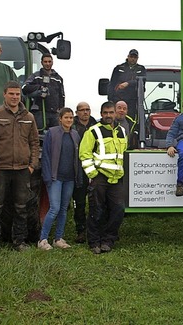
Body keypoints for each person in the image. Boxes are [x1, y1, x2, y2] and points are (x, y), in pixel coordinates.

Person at [0, 81, 39, 253]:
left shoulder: (29, 117)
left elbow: (34, 143)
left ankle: (19, 241)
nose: (15, 97)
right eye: (11, 94)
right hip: (0, 168)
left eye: (17, 94)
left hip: (22, 170)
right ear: (4, 95)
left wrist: (32, 165)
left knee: (21, 208)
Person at [79, 101, 128, 254]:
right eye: (105, 113)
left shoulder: (122, 132)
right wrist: (93, 174)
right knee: (96, 210)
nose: (108, 115)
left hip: (117, 178)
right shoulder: (93, 131)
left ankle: (108, 240)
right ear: (101, 114)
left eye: (111, 112)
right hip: (99, 177)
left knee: (118, 210)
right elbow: (84, 154)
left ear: (115, 113)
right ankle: (94, 241)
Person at [38, 107, 83, 250]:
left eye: (71, 118)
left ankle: (58, 238)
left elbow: (78, 158)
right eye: (66, 117)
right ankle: (43, 239)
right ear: (60, 119)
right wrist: (47, 176)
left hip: (70, 178)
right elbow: (45, 156)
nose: (69, 120)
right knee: (54, 208)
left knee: (63, 209)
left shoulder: (75, 135)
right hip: (55, 177)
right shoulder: (51, 133)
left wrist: (78, 177)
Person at [70, 102, 98, 243]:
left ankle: (94, 229)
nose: (85, 112)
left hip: (95, 168)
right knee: (79, 202)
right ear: (77, 112)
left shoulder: (96, 126)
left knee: (95, 202)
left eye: (87, 109)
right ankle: (80, 230)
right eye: (82, 110)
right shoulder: (72, 127)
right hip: (78, 169)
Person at [22, 53, 65, 131]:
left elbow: (62, 95)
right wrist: (39, 88)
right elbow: (24, 88)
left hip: (55, 113)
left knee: (56, 135)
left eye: (49, 61)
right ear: (41, 62)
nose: (47, 64)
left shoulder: (58, 78)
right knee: (39, 134)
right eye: (45, 62)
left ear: (52, 62)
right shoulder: (36, 76)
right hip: (40, 112)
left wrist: (61, 110)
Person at [108, 49, 146, 120]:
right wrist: (110, 99)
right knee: (116, 119)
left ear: (137, 58)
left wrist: (128, 83)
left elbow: (142, 81)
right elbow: (112, 84)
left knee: (131, 120)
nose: (133, 59)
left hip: (133, 101)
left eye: (135, 57)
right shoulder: (119, 68)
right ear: (128, 56)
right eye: (131, 57)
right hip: (118, 99)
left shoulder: (141, 69)